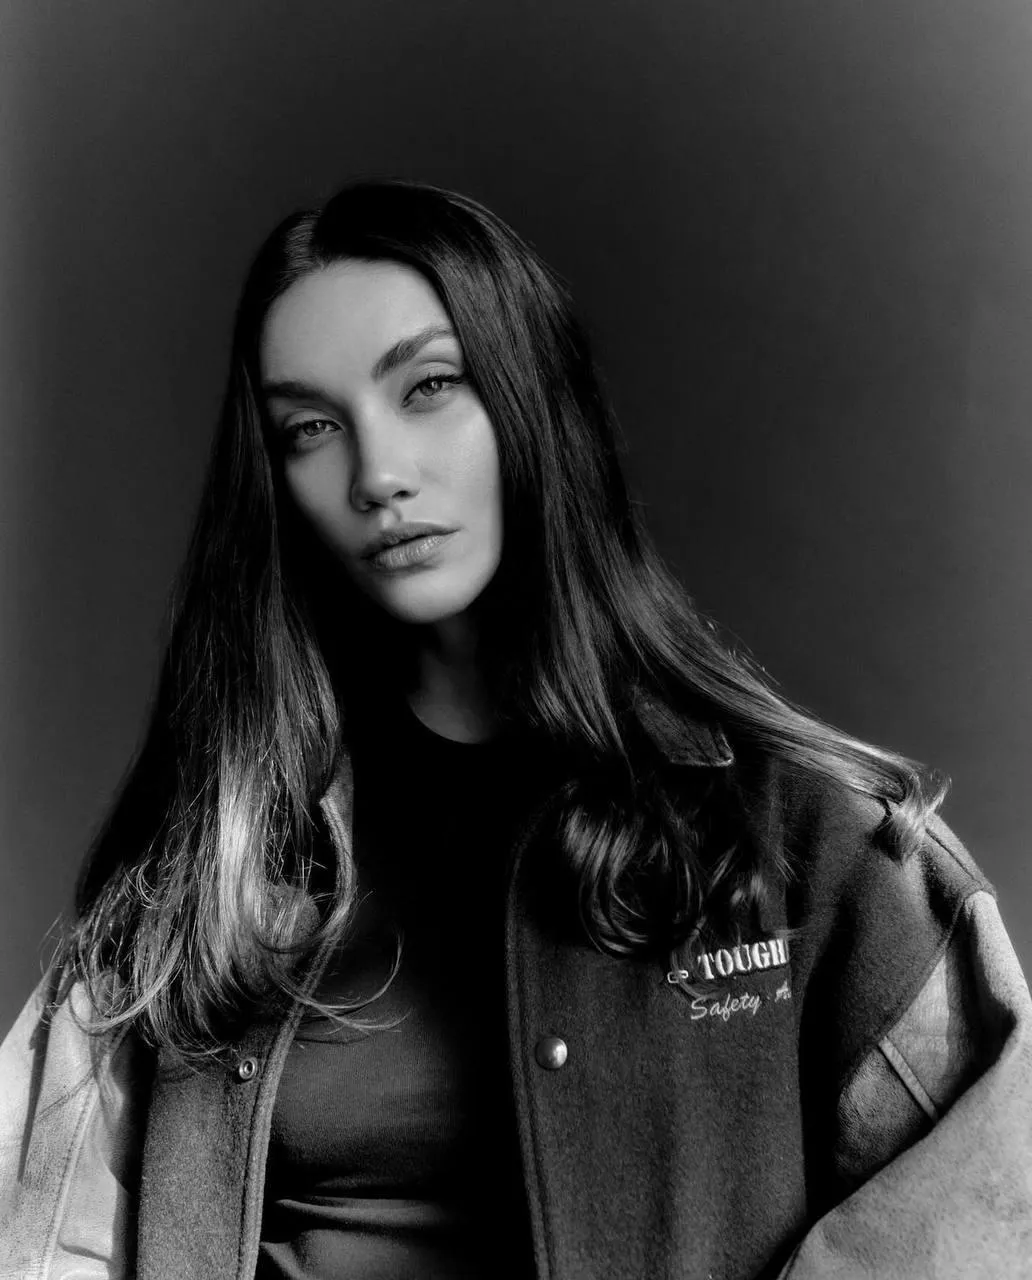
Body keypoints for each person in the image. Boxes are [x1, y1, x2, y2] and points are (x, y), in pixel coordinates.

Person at [1, 178, 1030, 1280]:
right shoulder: (209, 862)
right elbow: (43, 1234)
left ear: (533, 398)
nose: (377, 475)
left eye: (430, 386)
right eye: (310, 427)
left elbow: (993, 1197)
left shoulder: (810, 839)